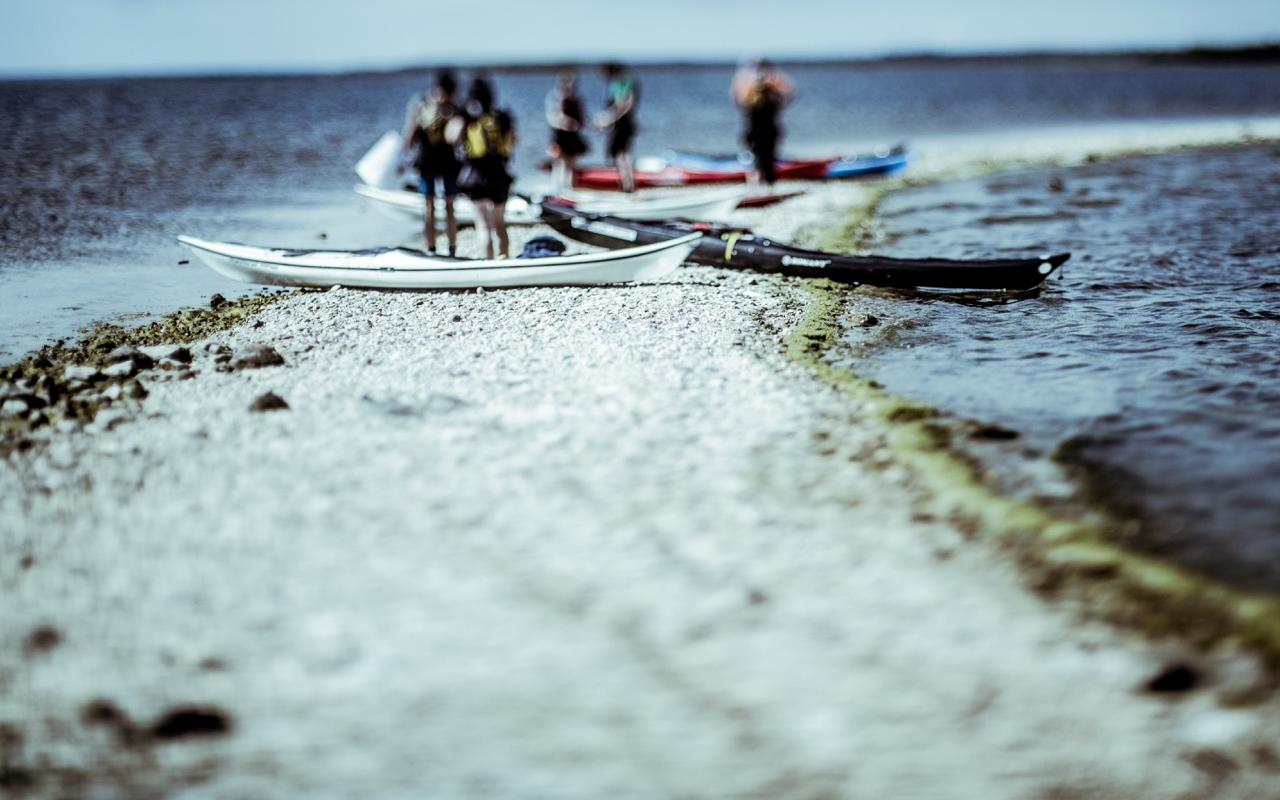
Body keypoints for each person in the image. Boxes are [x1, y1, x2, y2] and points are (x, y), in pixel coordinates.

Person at [403, 70, 462, 255]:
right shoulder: (452, 107)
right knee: (441, 205)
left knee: (435, 206)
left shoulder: (421, 104)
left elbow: (409, 136)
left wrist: (403, 156)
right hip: (443, 160)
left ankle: (437, 249)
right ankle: (441, 248)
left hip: (431, 161)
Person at [459, 80, 517, 259]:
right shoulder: (502, 117)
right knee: (499, 222)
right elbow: (513, 141)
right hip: (499, 174)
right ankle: (504, 258)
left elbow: (452, 137)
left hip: (477, 177)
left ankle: (488, 262)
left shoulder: (469, 119)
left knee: (483, 224)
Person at [732, 59, 794, 186]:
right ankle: (762, 182)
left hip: (766, 131)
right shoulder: (754, 94)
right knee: (760, 157)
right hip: (759, 131)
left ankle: (765, 182)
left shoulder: (772, 93)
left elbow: (788, 96)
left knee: (767, 158)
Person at [595, 62, 639, 193]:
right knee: (623, 154)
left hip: (622, 125)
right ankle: (628, 185)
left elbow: (624, 103)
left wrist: (610, 118)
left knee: (622, 155)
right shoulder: (623, 82)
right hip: (625, 123)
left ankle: (628, 186)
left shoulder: (620, 83)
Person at [545, 71, 588, 193]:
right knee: (559, 163)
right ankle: (556, 191)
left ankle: (569, 190)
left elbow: (582, 119)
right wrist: (566, 123)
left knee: (571, 164)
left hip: (572, 137)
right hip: (559, 137)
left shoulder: (577, 100)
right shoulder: (555, 99)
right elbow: (552, 118)